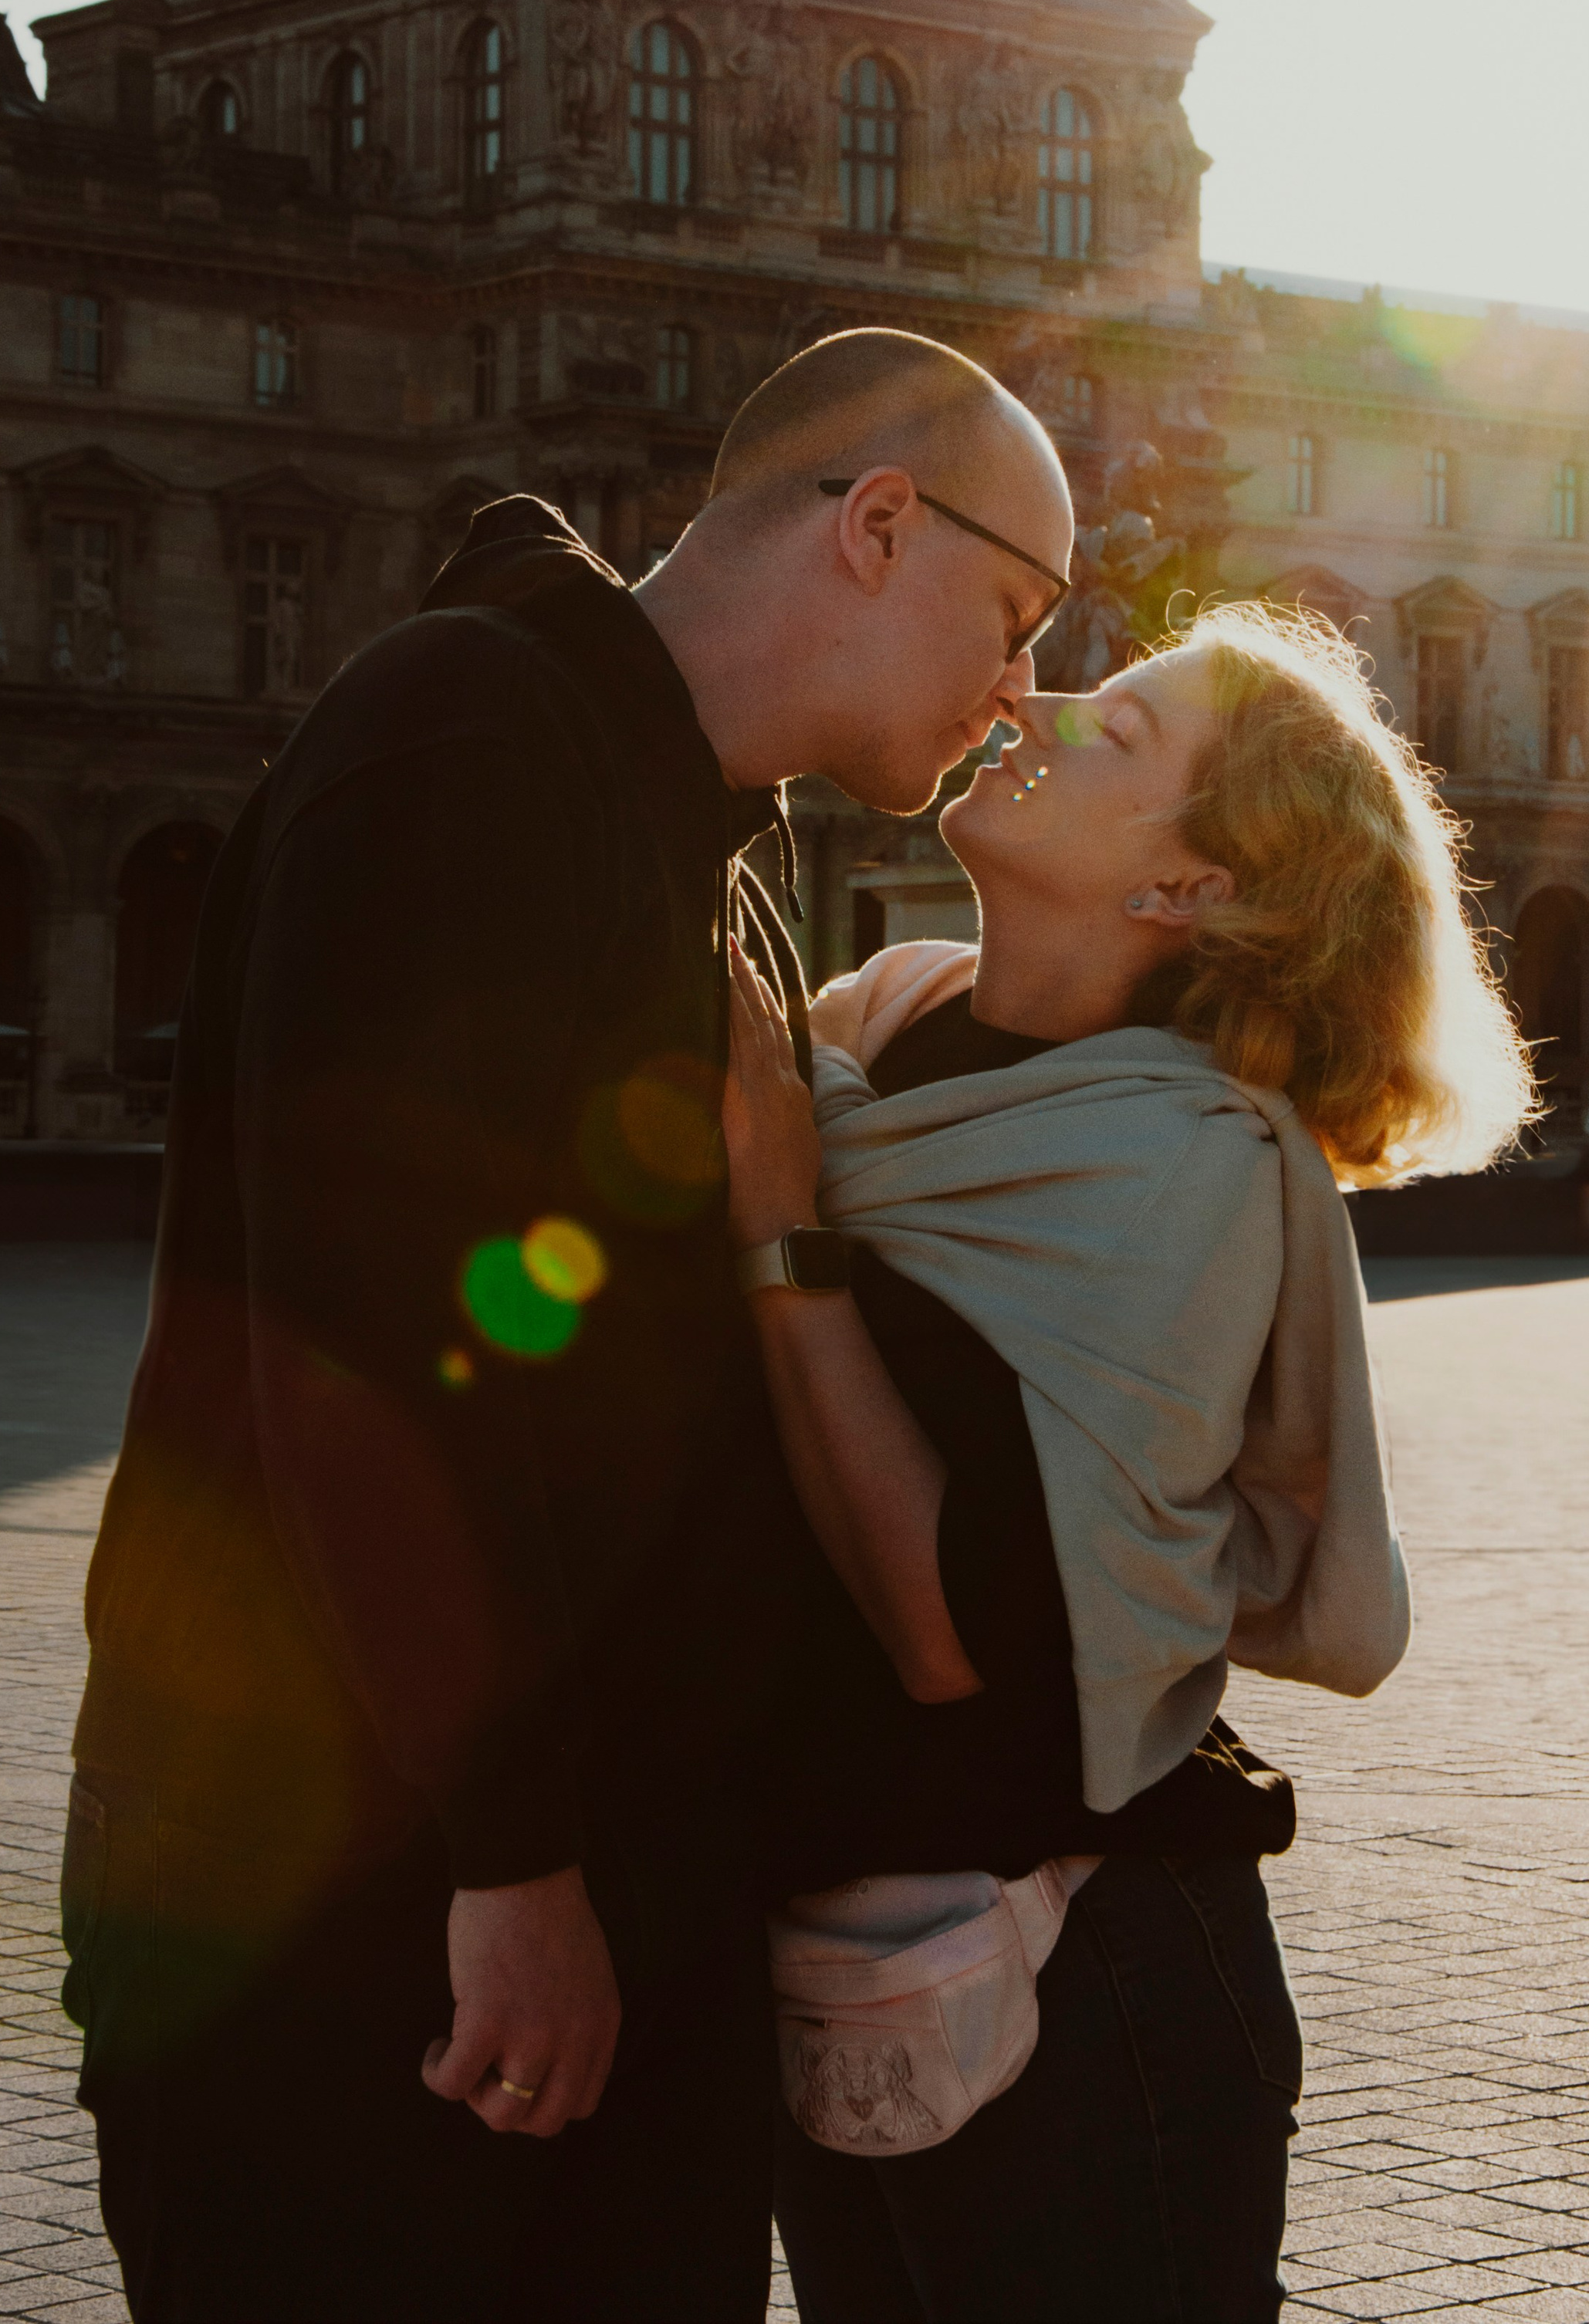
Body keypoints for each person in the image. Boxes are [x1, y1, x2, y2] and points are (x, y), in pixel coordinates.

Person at [60, 326, 1074, 2322]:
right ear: (878, 526)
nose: (1021, 684)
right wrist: (512, 1856)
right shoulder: (466, 735)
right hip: (353, 1928)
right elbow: (356, 1343)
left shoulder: (717, 853)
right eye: (1017, 610)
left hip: (599, 1920)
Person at [723, 602, 1537, 2324]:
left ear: (1195, 890)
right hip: (836, 1953)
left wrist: (784, 1228)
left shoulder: (1179, 1163)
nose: (1037, 694)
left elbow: (952, 1629)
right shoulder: (866, 1034)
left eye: (1122, 729)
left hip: (1092, 1999)